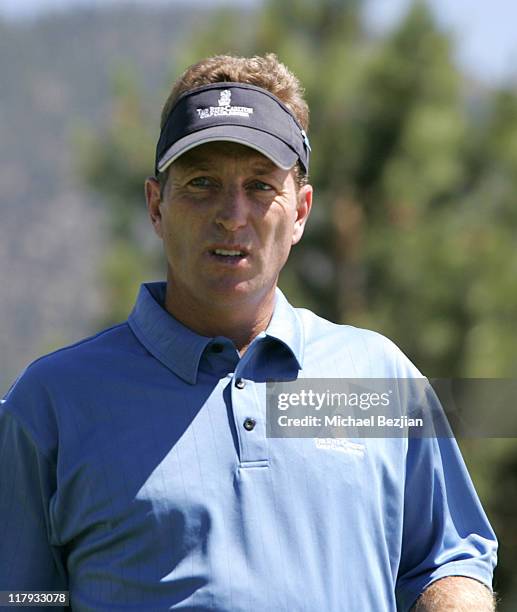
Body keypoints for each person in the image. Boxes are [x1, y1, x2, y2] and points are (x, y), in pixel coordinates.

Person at [0, 53, 497, 611]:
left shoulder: (377, 375)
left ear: (302, 211)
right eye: (202, 183)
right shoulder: (52, 404)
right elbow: (21, 594)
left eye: (261, 186)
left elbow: (446, 558)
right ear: (156, 206)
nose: (232, 214)